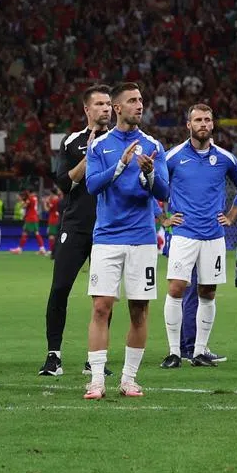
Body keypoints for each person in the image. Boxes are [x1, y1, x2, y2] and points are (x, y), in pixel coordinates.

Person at [83, 83, 168, 400]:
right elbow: (92, 186)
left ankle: (129, 379)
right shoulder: (101, 145)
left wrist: (148, 174)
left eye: (141, 100)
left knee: (138, 310)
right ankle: (96, 380)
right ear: (117, 108)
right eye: (132, 101)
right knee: (101, 307)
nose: (139, 105)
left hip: (142, 238)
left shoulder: (152, 145)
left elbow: (163, 193)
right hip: (106, 238)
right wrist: (119, 166)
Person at [160, 104, 237, 369]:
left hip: (213, 236)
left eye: (207, 119)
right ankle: (174, 352)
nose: (203, 123)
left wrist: (232, 216)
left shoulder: (225, 158)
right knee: (177, 288)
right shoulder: (173, 156)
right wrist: (163, 218)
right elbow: (151, 187)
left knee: (208, 291)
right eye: (197, 119)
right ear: (188, 125)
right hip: (184, 234)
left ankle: (199, 351)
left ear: (213, 125)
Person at [39, 85, 112, 377]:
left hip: (109, 229)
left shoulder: (122, 140)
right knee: (59, 289)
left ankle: (95, 359)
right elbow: (64, 184)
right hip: (76, 225)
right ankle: (53, 356)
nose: (106, 108)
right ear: (87, 109)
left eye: (109, 104)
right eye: (100, 104)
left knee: (103, 297)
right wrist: (89, 156)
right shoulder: (72, 141)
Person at [44, 189, 62, 254]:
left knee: (51, 235)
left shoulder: (53, 200)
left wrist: (45, 203)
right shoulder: (59, 199)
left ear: (52, 193)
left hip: (52, 219)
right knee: (57, 235)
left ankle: (52, 251)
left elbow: (47, 210)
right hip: (58, 219)